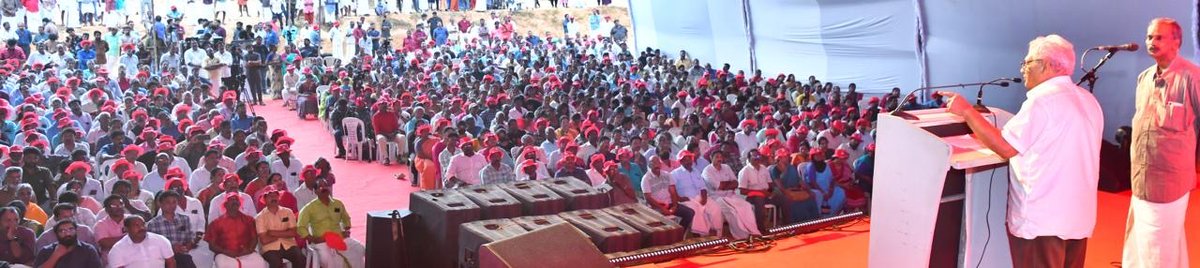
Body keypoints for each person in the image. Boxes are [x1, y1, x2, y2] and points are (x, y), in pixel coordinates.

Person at [938, 34, 1102, 268]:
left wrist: (966, 112)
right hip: (1077, 218)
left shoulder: (1042, 101)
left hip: (1042, 222)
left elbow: (1005, 147)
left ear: (1044, 65)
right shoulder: (1087, 99)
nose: (1023, 68)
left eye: (1027, 62)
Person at [1125, 17, 1196, 268]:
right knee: (1140, 243)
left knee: (1158, 248)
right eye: (1149, 37)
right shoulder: (1144, 78)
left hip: (1170, 181)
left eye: (1159, 37)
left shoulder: (1192, 77)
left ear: (1177, 41)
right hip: (1141, 178)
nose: (1151, 42)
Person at [297, 179, 357, 268]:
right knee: (327, 258)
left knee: (358, 249)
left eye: (326, 186)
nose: (324, 188)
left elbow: (346, 218)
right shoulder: (309, 208)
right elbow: (300, 227)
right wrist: (313, 239)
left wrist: (346, 229)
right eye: (320, 187)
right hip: (322, 241)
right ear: (315, 191)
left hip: (339, 237)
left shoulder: (338, 203)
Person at [701, 151, 759, 239]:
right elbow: (718, 186)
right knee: (733, 210)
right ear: (711, 158)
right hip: (717, 197)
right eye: (717, 157)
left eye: (721, 157)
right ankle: (742, 236)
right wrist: (727, 185)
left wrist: (724, 186)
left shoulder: (726, 167)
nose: (719, 159)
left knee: (747, 206)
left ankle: (753, 231)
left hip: (731, 195)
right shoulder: (707, 171)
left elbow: (736, 183)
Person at [206, 192, 267, 268]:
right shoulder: (216, 223)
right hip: (224, 254)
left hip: (246, 252)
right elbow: (211, 245)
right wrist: (225, 251)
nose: (234, 201)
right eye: (231, 200)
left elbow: (254, 238)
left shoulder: (249, 220)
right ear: (225, 204)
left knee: (259, 262)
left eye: (236, 200)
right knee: (223, 265)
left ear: (239, 203)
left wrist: (250, 249)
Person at [640, 156, 694, 232]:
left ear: (660, 164)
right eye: (653, 163)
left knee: (690, 213)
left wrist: (674, 206)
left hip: (670, 204)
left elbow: (673, 192)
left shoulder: (667, 175)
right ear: (649, 165)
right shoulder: (646, 179)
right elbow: (648, 198)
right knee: (661, 221)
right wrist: (662, 208)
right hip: (656, 207)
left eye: (658, 162)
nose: (656, 165)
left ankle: (679, 233)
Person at [145, 191, 198, 268]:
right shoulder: (153, 224)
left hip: (182, 256)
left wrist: (185, 247)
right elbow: (151, 247)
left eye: (174, 202)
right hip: (163, 259)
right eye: (168, 202)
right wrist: (171, 249)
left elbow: (190, 239)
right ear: (160, 204)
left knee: (186, 259)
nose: (172, 205)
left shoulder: (184, 219)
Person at [255, 187, 305, 268]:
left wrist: (272, 233)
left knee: (301, 258)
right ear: (265, 199)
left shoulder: (288, 212)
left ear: (279, 197)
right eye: (270, 196)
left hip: (289, 245)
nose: (273, 198)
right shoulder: (260, 217)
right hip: (269, 248)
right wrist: (285, 233)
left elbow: (293, 233)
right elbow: (264, 240)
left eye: (275, 196)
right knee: (276, 263)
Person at [107, 215, 176, 268]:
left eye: (143, 224)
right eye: (136, 225)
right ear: (126, 229)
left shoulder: (160, 240)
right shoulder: (117, 249)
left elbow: (171, 263)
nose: (141, 228)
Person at [33, 220, 103, 268]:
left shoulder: (88, 250)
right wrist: (55, 256)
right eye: (62, 231)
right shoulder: (46, 251)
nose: (67, 233)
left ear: (76, 231)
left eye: (71, 229)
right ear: (56, 234)